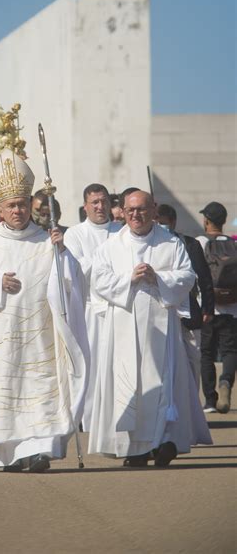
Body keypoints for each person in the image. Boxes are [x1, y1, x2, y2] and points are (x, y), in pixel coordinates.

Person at [0, 149, 90, 472]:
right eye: (11, 205)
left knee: (40, 390)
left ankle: (39, 450)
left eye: (23, 204)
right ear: (0, 209)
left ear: (30, 206)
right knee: (6, 392)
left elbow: (75, 284)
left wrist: (63, 252)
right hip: (2, 338)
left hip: (41, 334)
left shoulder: (48, 241)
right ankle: (11, 452)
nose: (18, 210)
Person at [89, 190, 212, 467]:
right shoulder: (111, 246)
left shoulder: (170, 242)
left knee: (162, 382)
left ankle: (164, 442)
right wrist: (129, 279)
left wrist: (158, 277)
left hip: (162, 328)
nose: (136, 215)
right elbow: (98, 279)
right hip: (123, 326)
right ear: (122, 211)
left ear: (153, 210)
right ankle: (135, 449)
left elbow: (187, 276)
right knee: (129, 383)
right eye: (130, 210)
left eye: (142, 209)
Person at [64, 184, 121, 430]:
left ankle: (116, 416)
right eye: (94, 202)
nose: (99, 206)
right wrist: (110, 270)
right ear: (85, 206)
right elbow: (77, 270)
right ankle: (88, 418)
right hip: (88, 310)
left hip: (119, 307)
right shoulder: (75, 234)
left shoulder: (122, 231)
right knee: (91, 365)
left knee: (118, 365)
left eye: (103, 201)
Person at [156, 203, 214, 387]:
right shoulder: (153, 244)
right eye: (157, 223)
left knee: (192, 357)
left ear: (173, 222)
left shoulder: (189, 243)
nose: (160, 227)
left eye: (163, 223)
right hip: (162, 311)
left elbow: (204, 278)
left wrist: (208, 308)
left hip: (189, 312)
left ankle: (193, 403)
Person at [196, 202, 237, 414]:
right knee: (230, 350)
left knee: (207, 353)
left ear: (206, 221)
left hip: (208, 308)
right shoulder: (233, 244)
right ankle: (226, 382)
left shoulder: (200, 242)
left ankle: (210, 401)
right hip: (232, 308)